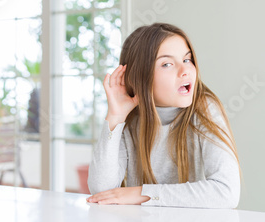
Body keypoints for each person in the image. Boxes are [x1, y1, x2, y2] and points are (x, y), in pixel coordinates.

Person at [86, 23, 240, 208]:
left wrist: (142, 194)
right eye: (167, 64)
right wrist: (115, 116)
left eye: (187, 60)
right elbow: (102, 190)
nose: (185, 71)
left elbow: (227, 192)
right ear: (140, 76)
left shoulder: (204, 108)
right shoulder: (129, 117)